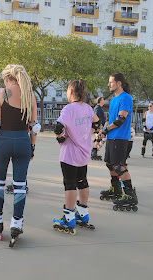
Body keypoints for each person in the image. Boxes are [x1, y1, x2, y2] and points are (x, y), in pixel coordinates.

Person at [0, 64, 39, 247]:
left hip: (3, 141)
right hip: (23, 141)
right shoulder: (30, 96)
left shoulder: (1, 93)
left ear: (7, 78)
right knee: (20, 185)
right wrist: (32, 147)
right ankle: (16, 224)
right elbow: (35, 126)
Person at [52, 79, 98, 235]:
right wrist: (87, 134)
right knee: (82, 181)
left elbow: (58, 127)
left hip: (70, 154)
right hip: (84, 153)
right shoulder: (88, 108)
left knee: (70, 184)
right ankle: (83, 214)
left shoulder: (68, 109)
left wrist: (61, 138)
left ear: (71, 91)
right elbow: (97, 123)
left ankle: (69, 217)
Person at [99, 73, 138, 212]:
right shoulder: (114, 99)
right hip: (111, 137)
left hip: (120, 137)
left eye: (111, 82)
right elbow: (111, 120)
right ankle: (116, 189)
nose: (109, 84)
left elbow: (120, 120)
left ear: (119, 83)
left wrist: (106, 129)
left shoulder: (125, 98)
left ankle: (129, 194)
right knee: (110, 164)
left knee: (119, 166)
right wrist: (103, 131)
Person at [91, 97, 106, 161]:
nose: (104, 101)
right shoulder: (98, 108)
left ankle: (94, 153)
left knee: (98, 139)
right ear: (100, 101)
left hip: (100, 126)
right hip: (98, 127)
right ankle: (94, 153)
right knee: (97, 139)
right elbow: (96, 118)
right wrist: (97, 127)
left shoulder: (99, 108)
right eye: (103, 100)